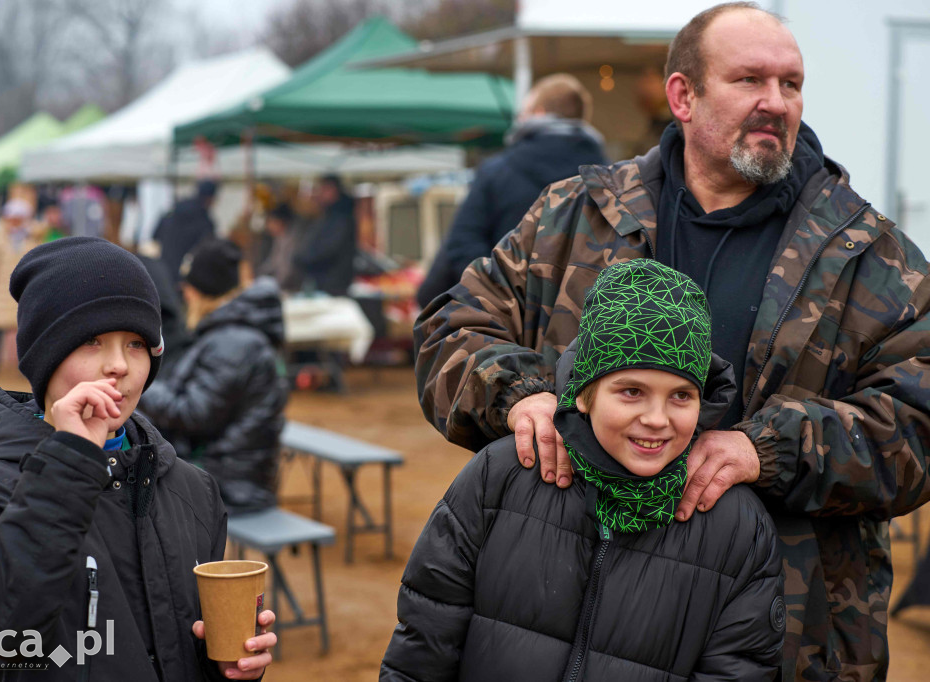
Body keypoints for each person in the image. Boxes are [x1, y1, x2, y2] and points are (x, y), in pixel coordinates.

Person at [413, 3, 930, 680]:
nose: (776, 103)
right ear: (682, 95)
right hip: (565, 625)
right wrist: (519, 395)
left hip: (783, 639)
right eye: (750, 80)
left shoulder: (868, 252)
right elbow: (450, 330)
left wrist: (765, 450)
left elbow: (919, 421)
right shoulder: (578, 215)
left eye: (791, 84)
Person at [385, 260, 783, 681]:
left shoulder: (738, 528)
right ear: (585, 394)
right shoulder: (500, 478)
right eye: (631, 391)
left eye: (681, 395)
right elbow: (423, 645)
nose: (656, 418)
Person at [0, 237, 276, 681]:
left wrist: (225, 667)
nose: (118, 365)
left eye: (136, 343)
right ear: (45, 354)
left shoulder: (194, 491)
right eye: (92, 340)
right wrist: (69, 462)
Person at [417, 74, 609, 308]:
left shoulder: (498, 170)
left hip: (508, 321)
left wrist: (501, 298)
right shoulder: (608, 177)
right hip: (584, 320)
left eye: (523, 112)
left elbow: (462, 244)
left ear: (538, 113)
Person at [140, 238, 288, 514]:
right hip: (228, 470)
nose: (183, 295)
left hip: (231, 482)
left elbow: (195, 414)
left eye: (188, 287)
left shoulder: (234, 342)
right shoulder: (230, 333)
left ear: (201, 292)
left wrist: (139, 388)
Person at [0, 199, 39, 375]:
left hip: (25, 289)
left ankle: (25, 365)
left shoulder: (34, 236)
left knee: (25, 329)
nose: (14, 222)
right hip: (1, 287)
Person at [293, 175, 356, 296]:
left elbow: (328, 249)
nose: (319, 193)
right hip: (324, 283)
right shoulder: (328, 215)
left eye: (323, 189)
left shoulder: (341, 218)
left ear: (333, 190)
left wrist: (303, 258)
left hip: (333, 284)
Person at [153, 179, 218, 284]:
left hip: (164, 270)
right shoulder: (204, 220)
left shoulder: (173, 210)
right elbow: (209, 250)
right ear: (211, 198)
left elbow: (155, 235)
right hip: (186, 276)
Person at [256, 202, 303, 292]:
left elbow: (286, 270)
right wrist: (258, 278)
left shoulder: (292, 241)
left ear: (280, 222)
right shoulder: (279, 239)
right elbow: (271, 263)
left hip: (291, 288)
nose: (268, 226)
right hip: (278, 285)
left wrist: (273, 287)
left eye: (271, 222)